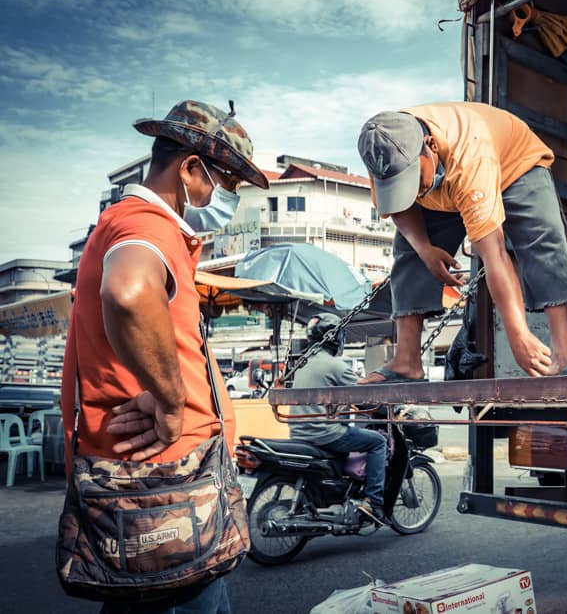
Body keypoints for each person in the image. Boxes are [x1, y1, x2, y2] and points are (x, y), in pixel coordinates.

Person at [59, 100, 270, 613]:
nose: (230, 198)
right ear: (191, 167)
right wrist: (173, 401)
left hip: (161, 485)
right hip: (162, 488)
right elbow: (129, 292)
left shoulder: (141, 226)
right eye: (228, 183)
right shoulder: (145, 224)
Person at [355, 102, 567, 383]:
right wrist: (425, 250)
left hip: (516, 167)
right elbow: (399, 209)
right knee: (408, 251)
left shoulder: (469, 157)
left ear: (430, 146)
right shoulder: (383, 151)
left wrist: (517, 335)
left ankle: (565, 354)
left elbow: (494, 255)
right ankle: (407, 362)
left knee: (543, 243)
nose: (410, 192)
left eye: (412, 179)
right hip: (446, 188)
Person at [287, 314, 386, 523]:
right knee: (378, 441)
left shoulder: (301, 362)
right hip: (324, 434)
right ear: (334, 336)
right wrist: (383, 406)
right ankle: (373, 501)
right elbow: (364, 397)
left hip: (298, 432)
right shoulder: (334, 365)